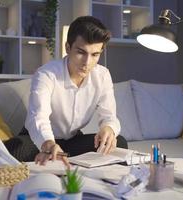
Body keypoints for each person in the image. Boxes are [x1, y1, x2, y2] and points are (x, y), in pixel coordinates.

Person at [19, 16, 127, 166]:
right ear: (68, 48)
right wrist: (49, 145)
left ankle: (63, 158)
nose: (87, 62)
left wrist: (108, 129)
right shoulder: (46, 74)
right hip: (40, 140)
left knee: (119, 142)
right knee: (17, 149)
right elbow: (38, 117)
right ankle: (55, 155)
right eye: (81, 52)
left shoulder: (102, 75)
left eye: (95, 54)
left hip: (72, 141)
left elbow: (109, 116)